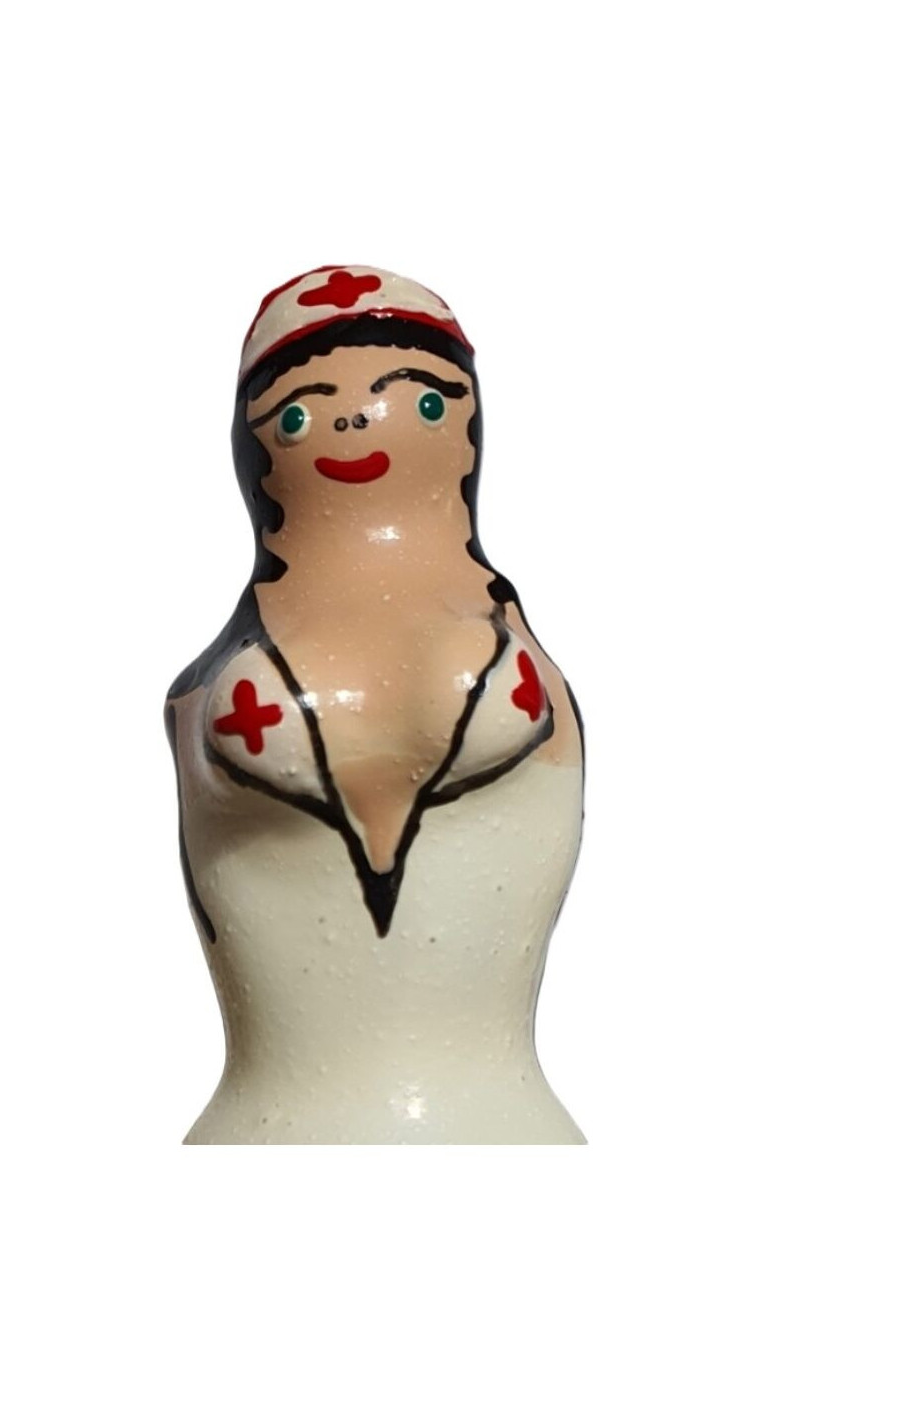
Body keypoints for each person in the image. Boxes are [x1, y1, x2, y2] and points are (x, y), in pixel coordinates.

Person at [166, 266, 585, 1143]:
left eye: (420, 401)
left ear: (468, 430)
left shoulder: (504, 623)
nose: (355, 422)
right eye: (297, 413)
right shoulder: (205, 682)